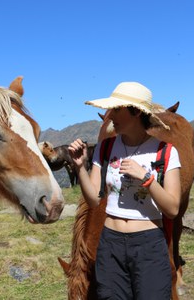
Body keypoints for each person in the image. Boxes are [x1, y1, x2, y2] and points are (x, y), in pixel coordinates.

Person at [68, 82, 181, 299]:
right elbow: (93, 200)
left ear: (137, 112)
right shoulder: (106, 147)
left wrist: (147, 178)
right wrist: (80, 167)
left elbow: (173, 209)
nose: (110, 116)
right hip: (110, 244)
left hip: (149, 245)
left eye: (117, 109)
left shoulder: (165, 152)